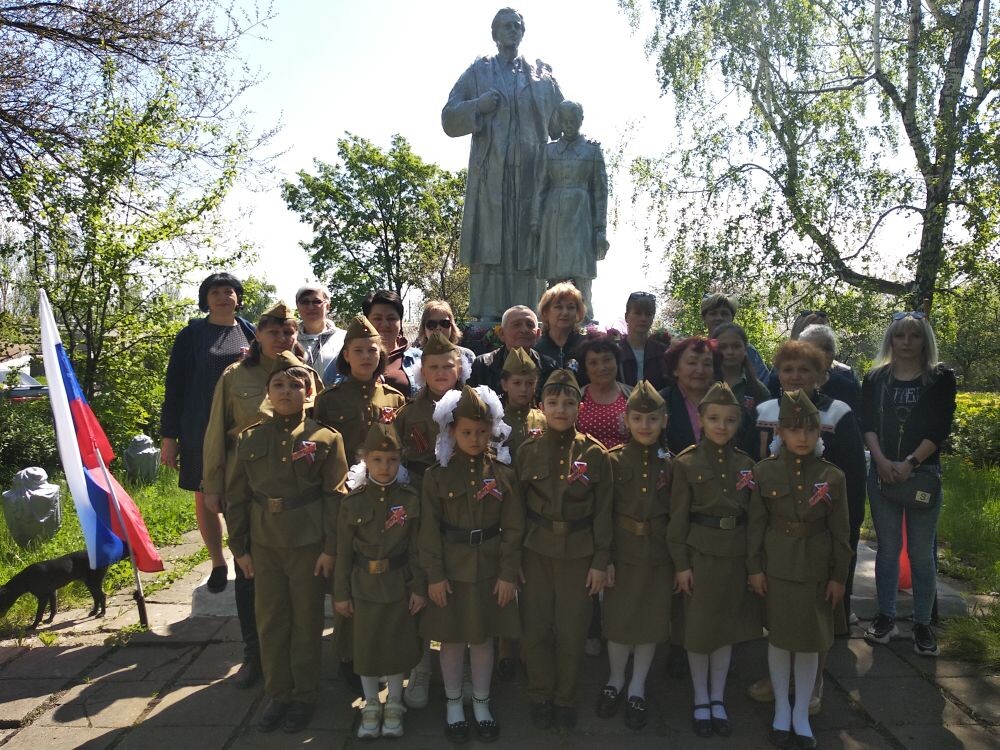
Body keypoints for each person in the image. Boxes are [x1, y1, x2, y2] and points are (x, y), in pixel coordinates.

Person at [202, 301, 322, 689]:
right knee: (249, 570)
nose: (282, 338)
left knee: (298, 580)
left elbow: (319, 429)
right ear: (259, 335)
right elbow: (217, 432)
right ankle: (255, 654)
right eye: (273, 332)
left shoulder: (306, 376)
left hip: (297, 493)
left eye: (288, 332)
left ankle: (297, 662)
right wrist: (213, 485)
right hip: (247, 486)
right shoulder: (235, 376)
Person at [225, 352, 348, 733]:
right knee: (272, 618)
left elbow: (336, 496)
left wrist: (330, 548)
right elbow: (237, 497)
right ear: (267, 392)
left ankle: (305, 694)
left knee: (307, 618)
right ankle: (278, 692)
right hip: (264, 542)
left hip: (308, 541)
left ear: (308, 392)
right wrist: (239, 549)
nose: (286, 391)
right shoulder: (250, 438)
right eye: (278, 384)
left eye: (295, 384)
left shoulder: (326, 438)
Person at [749, 339, 865, 714]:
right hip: (778, 525)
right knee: (780, 615)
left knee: (817, 617)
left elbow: (849, 472)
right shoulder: (766, 409)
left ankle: (813, 684)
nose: (796, 376)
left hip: (820, 526)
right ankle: (779, 678)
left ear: (821, 375)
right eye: (788, 369)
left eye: (805, 370)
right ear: (777, 374)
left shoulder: (838, 413)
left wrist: (846, 533)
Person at [442, 6, 563, 320]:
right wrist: (478, 106)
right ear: (494, 34)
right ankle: (488, 320)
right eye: (505, 26)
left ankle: (530, 317)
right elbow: (449, 118)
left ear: (523, 32)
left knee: (529, 244)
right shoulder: (479, 71)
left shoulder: (541, 73)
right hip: (491, 174)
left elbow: (561, 123)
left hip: (532, 175)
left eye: (517, 26)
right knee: (491, 245)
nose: (512, 30)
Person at [747, 390, 851, 749]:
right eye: (794, 429)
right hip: (776, 567)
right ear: (781, 432)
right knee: (778, 639)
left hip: (816, 571)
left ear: (820, 432)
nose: (802, 437)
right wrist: (754, 568)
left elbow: (842, 533)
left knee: (809, 643)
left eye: (810, 429)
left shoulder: (832, 476)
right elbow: (756, 527)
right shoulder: (764, 471)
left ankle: (801, 713)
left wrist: (839, 577)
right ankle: (780, 710)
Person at [420, 385, 524, 743]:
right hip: (450, 572)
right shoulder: (437, 476)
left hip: (490, 571)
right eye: (466, 432)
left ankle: (481, 701)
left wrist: (509, 573)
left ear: (492, 429)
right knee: (450, 641)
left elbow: (513, 528)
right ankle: (452, 703)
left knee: (482, 641)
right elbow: (428, 531)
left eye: (482, 431)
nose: (475, 438)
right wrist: (434, 575)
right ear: (451, 431)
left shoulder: (503, 475)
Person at [516, 369, 613, 730]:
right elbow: (517, 512)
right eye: (553, 402)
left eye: (569, 402)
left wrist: (601, 561)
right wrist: (514, 561)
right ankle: (539, 692)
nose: (560, 410)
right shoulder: (528, 450)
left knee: (573, 629)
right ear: (541, 406)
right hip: (536, 551)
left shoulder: (594, 453)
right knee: (536, 627)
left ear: (579, 406)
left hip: (579, 553)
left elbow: (604, 512)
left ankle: (566, 696)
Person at [667, 382, 762, 739]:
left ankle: (718, 697)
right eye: (714, 419)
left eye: (730, 420)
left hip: (735, 556)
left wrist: (754, 567)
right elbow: (677, 519)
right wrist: (681, 564)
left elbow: (754, 521)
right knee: (699, 629)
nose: (722, 426)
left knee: (726, 630)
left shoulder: (746, 465)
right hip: (700, 557)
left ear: (739, 423)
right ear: (701, 420)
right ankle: (701, 696)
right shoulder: (686, 462)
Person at [862, 312, 956, 657]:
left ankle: (922, 623)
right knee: (887, 549)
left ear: (924, 341)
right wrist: (882, 461)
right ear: (890, 339)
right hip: (883, 471)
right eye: (899, 336)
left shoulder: (940, 379)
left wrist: (910, 463)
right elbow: (867, 422)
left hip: (923, 474)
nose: (905, 342)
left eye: (913, 336)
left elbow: (940, 427)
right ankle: (885, 616)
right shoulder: (875, 378)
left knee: (920, 551)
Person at [161, 272, 254, 595]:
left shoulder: (250, 332)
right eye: (215, 291)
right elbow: (174, 387)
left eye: (229, 290)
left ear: (238, 297)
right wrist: (169, 437)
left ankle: (245, 554)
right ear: (206, 298)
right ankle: (217, 561)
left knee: (243, 492)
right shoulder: (191, 335)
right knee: (206, 494)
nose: (223, 296)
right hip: (200, 426)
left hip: (241, 427)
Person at [335, 423, 426, 740]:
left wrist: (418, 587)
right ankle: (371, 703)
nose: (384, 467)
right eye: (377, 460)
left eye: (391, 460)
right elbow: (343, 553)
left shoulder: (410, 499)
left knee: (396, 644)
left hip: (399, 583)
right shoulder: (352, 502)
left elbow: (417, 549)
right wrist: (341, 594)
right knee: (366, 645)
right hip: (362, 586)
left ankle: (395, 704)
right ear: (364, 460)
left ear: (400, 460)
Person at [393, 331, 469, 709]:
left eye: (447, 366)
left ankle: (463, 668)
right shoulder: (409, 413)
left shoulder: (473, 405)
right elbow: (400, 462)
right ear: (422, 371)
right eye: (433, 367)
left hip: (463, 506)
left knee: (461, 581)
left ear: (459, 369)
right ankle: (420, 665)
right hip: (422, 504)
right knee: (421, 581)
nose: (441, 372)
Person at [597, 381, 673, 731]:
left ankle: (638, 686)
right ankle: (615, 679)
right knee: (619, 619)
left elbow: (677, 515)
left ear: (664, 421)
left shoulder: (672, 465)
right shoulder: (611, 461)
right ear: (626, 420)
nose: (645, 425)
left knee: (649, 621)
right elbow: (604, 514)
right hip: (622, 553)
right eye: (638, 418)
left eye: (652, 419)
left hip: (658, 555)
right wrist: (606, 557)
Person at [495, 346, 546, 680]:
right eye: (518, 383)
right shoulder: (492, 417)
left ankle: (530, 646)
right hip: (499, 509)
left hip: (533, 508)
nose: (524, 389)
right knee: (503, 580)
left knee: (530, 582)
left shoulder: (541, 418)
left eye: (530, 383)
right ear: (505, 383)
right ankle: (503, 648)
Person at [530, 100, 608, 316]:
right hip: (553, 217)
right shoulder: (549, 151)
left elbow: (601, 193)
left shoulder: (592, 151)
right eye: (565, 120)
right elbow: (540, 187)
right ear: (560, 122)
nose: (569, 124)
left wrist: (600, 230)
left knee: (582, 272)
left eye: (573, 120)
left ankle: (585, 317)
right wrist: (535, 219)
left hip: (582, 215)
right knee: (554, 273)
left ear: (581, 120)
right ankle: (550, 317)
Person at [314, 315, 406, 467]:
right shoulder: (328, 399)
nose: (366, 356)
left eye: (372, 350)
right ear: (346, 355)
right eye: (358, 351)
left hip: (384, 478)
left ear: (380, 355)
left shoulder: (395, 398)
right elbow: (321, 448)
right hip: (344, 481)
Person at [469, 305, 555, 396]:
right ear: (502, 333)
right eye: (517, 325)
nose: (524, 330)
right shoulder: (483, 365)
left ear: (538, 334)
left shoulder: (548, 367)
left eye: (529, 325)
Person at [711, 322, 769, 456]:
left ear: (745, 349)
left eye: (736, 346)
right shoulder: (706, 385)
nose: (730, 352)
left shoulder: (759, 391)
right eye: (723, 347)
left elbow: (763, 435)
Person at [657, 337, 721, 455]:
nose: (700, 370)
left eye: (707, 364)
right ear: (675, 369)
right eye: (692, 363)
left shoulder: (724, 400)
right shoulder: (661, 402)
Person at [352, 290, 415, 396]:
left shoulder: (419, 359)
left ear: (400, 321)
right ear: (367, 321)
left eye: (391, 318)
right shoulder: (349, 357)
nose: (385, 324)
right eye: (377, 318)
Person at [401, 300, 475, 388]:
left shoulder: (467, 356)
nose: (438, 328)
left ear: (452, 326)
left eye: (444, 323)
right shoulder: (413, 358)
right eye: (432, 324)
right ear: (424, 328)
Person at [577, 335, 632, 450]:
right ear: (585, 369)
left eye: (607, 360)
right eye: (593, 363)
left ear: (617, 361)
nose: (602, 368)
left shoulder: (632, 396)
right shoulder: (577, 397)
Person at [700, 293, 769, 381]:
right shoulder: (699, 350)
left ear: (732, 318)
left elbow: (764, 383)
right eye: (713, 314)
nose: (719, 318)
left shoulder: (748, 351)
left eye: (724, 314)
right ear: (703, 318)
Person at [295, 283, 346, 385]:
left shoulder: (344, 338)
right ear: (298, 306)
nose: (310, 307)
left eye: (316, 302)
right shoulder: (289, 340)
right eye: (305, 302)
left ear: (327, 306)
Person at [618, 291, 670, 390]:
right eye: (637, 313)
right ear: (626, 316)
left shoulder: (663, 353)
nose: (643, 319)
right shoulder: (615, 352)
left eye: (648, 314)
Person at [534, 282, 586, 369]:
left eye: (570, 307)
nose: (565, 313)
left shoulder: (586, 346)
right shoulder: (536, 349)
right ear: (546, 311)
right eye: (558, 307)